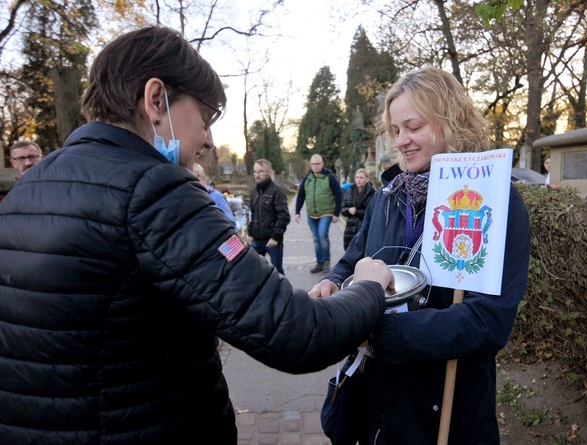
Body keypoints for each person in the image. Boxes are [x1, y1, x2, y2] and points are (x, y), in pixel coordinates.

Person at [0, 26, 396, 445]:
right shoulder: (155, 190)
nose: (208, 140)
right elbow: (295, 332)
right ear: (156, 100)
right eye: (205, 119)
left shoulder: (29, 189)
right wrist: (369, 286)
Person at [310, 66, 531, 444]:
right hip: (377, 403)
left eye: (413, 127)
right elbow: (353, 258)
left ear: (450, 120)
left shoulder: (493, 200)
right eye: (396, 131)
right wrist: (333, 283)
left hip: (443, 407)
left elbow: (488, 320)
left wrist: (385, 336)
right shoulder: (386, 197)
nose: (402, 141)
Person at [295, 154, 343, 273]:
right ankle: (319, 262)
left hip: (326, 213)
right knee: (316, 239)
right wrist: (297, 212)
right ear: (310, 165)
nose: (315, 166)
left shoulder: (329, 177)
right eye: (313, 164)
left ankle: (326, 261)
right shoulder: (307, 178)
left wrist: (336, 213)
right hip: (311, 214)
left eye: (317, 164)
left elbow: (339, 195)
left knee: (322, 235)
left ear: (322, 164)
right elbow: (301, 195)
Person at [248, 159, 290, 274]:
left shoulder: (277, 191)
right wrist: (250, 233)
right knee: (255, 271)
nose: (257, 175)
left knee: (277, 272)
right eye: (255, 172)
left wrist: (275, 237)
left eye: (261, 172)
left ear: (269, 172)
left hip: (272, 240)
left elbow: (284, 216)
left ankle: (281, 292)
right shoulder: (254, 192)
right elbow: (253, 214)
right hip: (257, 240)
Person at [341, 168, 376, 250]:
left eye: (361, 178)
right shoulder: (349, 191)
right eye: (357, 177)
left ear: (367, 179)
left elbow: (372, 212)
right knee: (349, 253)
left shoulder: (372, 193)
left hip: (364, 227)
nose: (359, 180)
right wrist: (348, 210)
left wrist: (356, 212)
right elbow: (343, 209)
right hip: (350, 228)